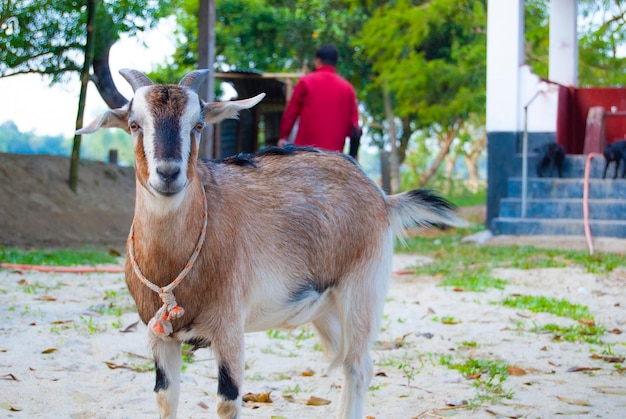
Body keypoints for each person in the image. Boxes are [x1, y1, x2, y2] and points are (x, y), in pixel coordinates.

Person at [278, 44, 361, 158]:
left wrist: (284, 137)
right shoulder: (348, 88)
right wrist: (354, 154)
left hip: (305, 156)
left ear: (317, 61)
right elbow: (355, 128)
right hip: (334, 159)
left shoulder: (305, 82)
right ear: (335, 63)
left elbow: (290, 114)